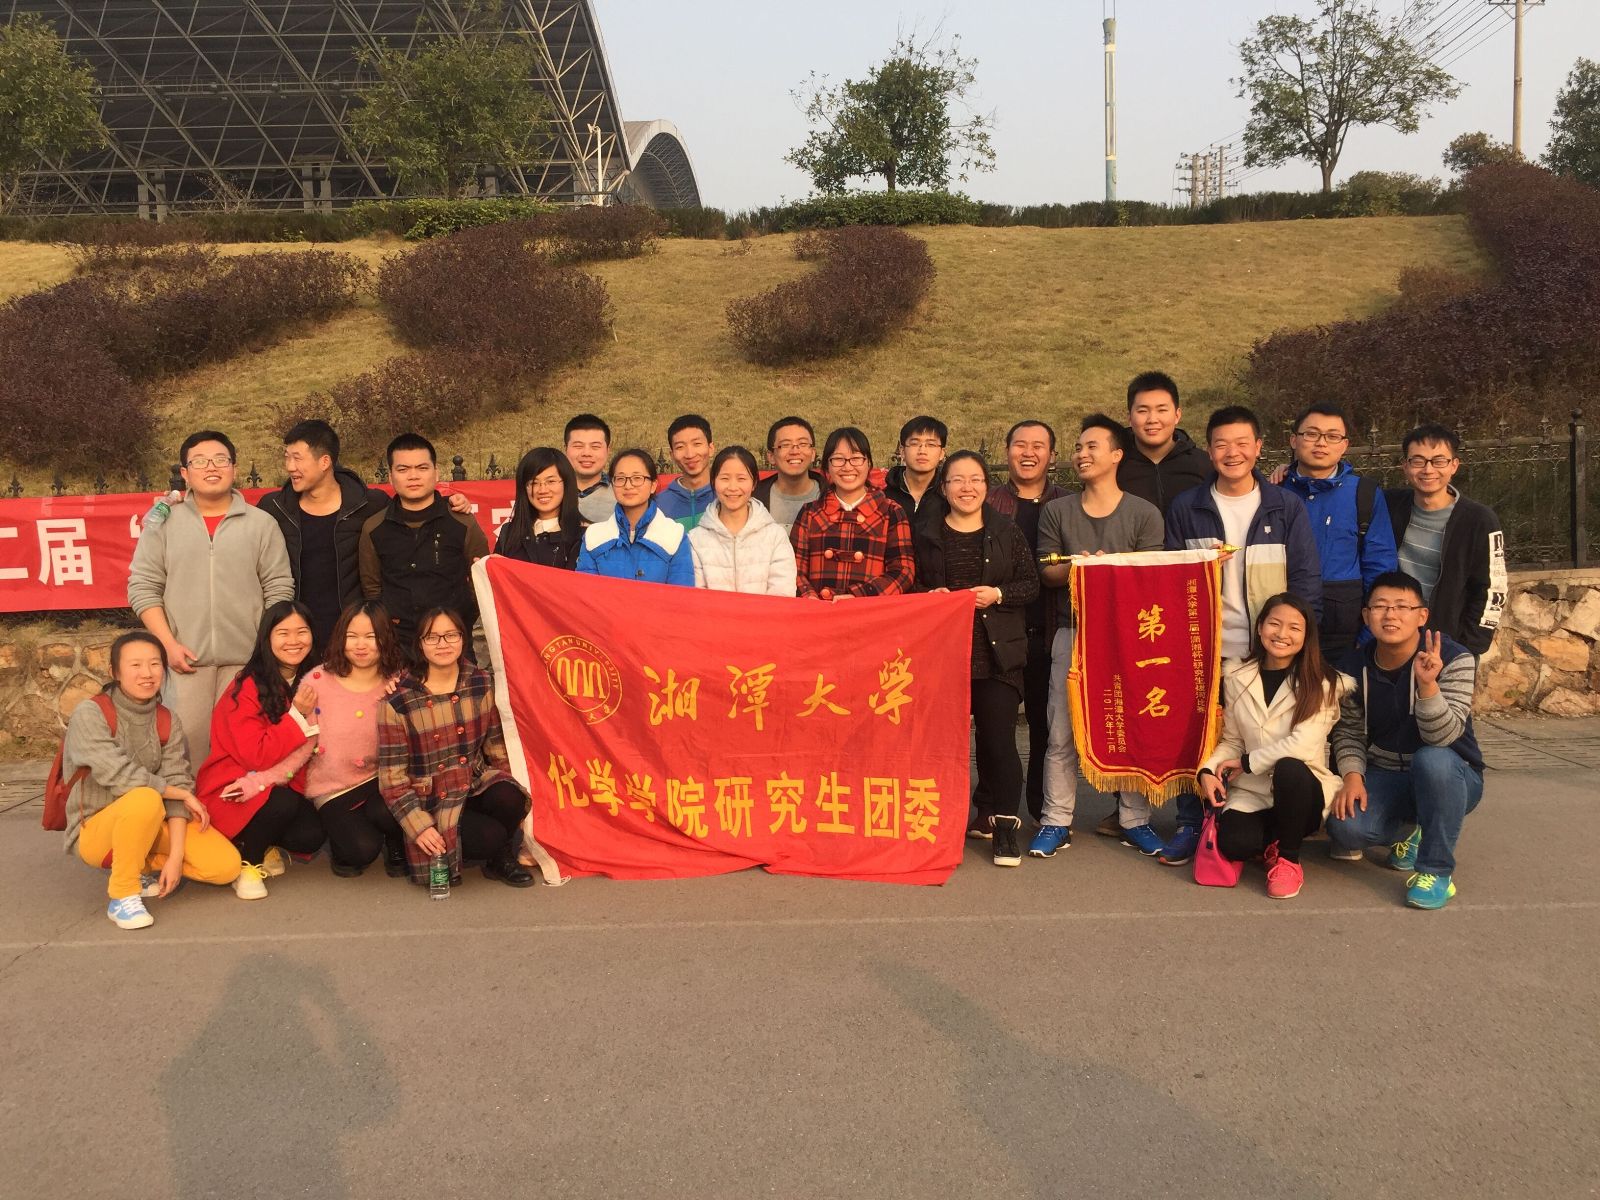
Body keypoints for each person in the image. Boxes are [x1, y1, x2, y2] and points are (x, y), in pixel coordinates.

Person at [1158, 405, 1323, 867]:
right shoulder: (1187, 507)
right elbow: (1169, 583)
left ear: (1258, 447)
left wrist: (1295, 643)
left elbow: (1305, 580)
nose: (1232, 453)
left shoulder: (1284, 506)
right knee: (1196, 736)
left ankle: (1267, 819)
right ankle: (1191, 822)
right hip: (1206, 649)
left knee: (1264, 737)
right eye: (1221, 444)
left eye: (1242, 443)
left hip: (1267, 651)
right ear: (1209, 451)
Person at [1031, 415, 1165, 858]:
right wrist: (1081, 567)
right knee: (1060, 733)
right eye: (1078, 447)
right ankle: (1056, 820)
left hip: (1129, 637)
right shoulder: (1058, 511)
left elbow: (1152, 577)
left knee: (1131, 728)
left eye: (1092, 446)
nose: (1081, 454)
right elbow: (1047, 571)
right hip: (1072, 632)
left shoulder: (1144, 514)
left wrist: (1113, 567)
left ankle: (1135, 819)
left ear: (1117, 455)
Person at [129, 429, 295, 766]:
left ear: (234, 468)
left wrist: (263, 648)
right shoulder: (164, 522)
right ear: (185, 473)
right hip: (184, 660)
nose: (212, 467)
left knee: (240, 752)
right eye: (200, 461)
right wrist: (168, 645)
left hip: (246, 661)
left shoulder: (261, 524)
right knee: (184, 749)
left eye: (221, 459)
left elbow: (279, 588)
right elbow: (143, 586)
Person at [61, 631, 241, 930]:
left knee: (225, 867)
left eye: (155, 664)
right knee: (144, 796)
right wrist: (178, 793)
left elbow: (178, 780)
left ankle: (139, 865)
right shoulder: (90, 713)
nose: (147, 673)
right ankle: (123, 894)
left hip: (148, 821)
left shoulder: (167, 720)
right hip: (95, 831)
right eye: (135, 665)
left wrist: (176, 857)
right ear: (115, 672)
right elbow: (119, 774)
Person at [1326, 572, 1485, 910]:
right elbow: (1348, 732)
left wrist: (1428, 686)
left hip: (1452, 776)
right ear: (1366, 615)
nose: (1391, 615)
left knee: (1433, 759)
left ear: (1422, 615)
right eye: (1380, 606)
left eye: (1402, 606)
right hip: (1386, 773)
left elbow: (1443, 737)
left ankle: (1436, 871)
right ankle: (1416, 828)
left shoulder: (1454, 658)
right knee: (1346, 828)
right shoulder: (1352, 667)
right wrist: (1352, 777)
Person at [913, 451, 1040, 867]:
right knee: (937, 745)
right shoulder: (926, 533)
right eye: (957, 480)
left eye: (976, 479)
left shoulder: (1005, 530)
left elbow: (1030, 584)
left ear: (987, 486)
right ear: (944, 487)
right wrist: (928, 597)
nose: (967, 488)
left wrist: (998, 594)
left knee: (998, 742)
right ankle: (937, 822)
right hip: (942, 657)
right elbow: (910, 583)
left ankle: (1003, 827)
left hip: (997, 656)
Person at [260, 419, 470, 650]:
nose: (290, 467)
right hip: (297, 637)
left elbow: (413, 509)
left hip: (356, 638)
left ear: (325, 461)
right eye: (287, 457)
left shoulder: (369, 504)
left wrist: (450, 503)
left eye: (297, 458)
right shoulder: (274, 508)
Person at [1197, 593, 1349, 900]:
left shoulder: (1324, 683)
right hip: (1253, 791)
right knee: (1234, 844)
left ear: (1307, 636)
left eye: (1294, 627)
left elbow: (1302, 746)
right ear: (1259, 627)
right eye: (1274, 624)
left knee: (1290, 767)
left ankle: (1289, 860)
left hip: (1302, 790)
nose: (1282, 634)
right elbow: (1233, 740)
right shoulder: (1237, 676)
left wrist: (1247, 763)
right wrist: (1207, 771)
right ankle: (1273, 841)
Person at [377, 608, 533, 889]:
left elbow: (497, 748)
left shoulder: (481, 683)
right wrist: (419, 826)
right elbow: (392, 779)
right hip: (432, 798)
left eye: (451, 635)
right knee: (489, 836)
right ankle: (485, 844)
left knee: (511, 796)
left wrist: (519, 796)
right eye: (432, 637)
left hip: (472, 782)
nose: (443, 644)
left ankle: (501, 857)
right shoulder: (398, 701)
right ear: (419, 643)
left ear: (463, 638)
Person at [196, 601, 327, 900]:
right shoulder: (246, 685)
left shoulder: (316, 677)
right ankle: (248, 863)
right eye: (283, 633)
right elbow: (255, 755)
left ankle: (263, 842)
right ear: (267, 638)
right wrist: (296, 714)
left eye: (301, 632)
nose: (293, 641)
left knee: (310, 836)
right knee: (282, 804)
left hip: (285, 782)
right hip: (237, 785)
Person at [985, 420, 1068, 823]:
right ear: (1007, 452)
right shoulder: (987, 503)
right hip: (998, 635)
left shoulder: (1068, 504)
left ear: (1052, 455)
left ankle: (1042, 811)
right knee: (994, 729)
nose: (1028, 453)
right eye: (1020, 444)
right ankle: (991, 810)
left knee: (1046, 727)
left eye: (1039, 445)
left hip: (1049, 632)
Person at [1273, 403, 1398, 659]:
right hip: (1280, 623)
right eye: (1311, 434)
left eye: (1332, 436)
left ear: (1344, 445)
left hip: (1344, 629)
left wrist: (1369, 633)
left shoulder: (1364, 493)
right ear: (1294, 440)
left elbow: (1380, 566)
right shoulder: (1273, 492)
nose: (1321, 443)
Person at [301, 602, 408, 878]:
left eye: (371, 636)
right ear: (340, 637)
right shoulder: (317, 679)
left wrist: (401, 697)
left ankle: (396, 841)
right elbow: (301, 741)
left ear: (385, 639)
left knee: (388, 811)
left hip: (379, 780)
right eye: (352, 636)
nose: (361, 645)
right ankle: (346, 834)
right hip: (332, 786)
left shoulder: (398, 682)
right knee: (359, 851)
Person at [358, 433, 489, 648]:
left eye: (422, 468)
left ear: (436, 473)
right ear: (390, 476)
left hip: (452, 641)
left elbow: (481, 579)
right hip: (398, 645)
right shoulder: (374, 528)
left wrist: (461, 620)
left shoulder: (462, 521)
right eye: (403, 469)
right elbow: (372, 589)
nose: (413, 476)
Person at [1386, 423, 1507, 657]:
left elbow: (1493, 588)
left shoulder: (1479, 520)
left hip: (1448, 644)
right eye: (1418, 461)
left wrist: (1467, 649)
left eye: (1439, 461)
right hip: (1392, 638)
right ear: (1405, 466)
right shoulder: (1389, 506)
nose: (1428, 469)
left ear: (1454, 465)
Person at [792, 427, 916, 600]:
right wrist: (810, 598)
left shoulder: (891, 512)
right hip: (818, 612)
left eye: (856, 458)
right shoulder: (810, 513)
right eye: (838, 459)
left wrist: (858, 596)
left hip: (868, 612)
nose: (848, 467)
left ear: (869, 464)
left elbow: (903, 572)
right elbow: (794, 570)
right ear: (827, 467)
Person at [576, 449, 696, 585]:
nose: (628, 485)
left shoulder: (674, 535)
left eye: (637, 478)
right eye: (620, 479)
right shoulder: (594, 536)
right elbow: (586, 590)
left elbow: (680, 592)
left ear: (653, 485)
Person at [689, 446, 798, 594]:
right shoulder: (695, 539)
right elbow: (696, 595)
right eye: (725, 478)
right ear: (713, 482)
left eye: (741, 479)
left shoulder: (775, 536)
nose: (733, 487)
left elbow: (782, 593)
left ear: (754, 484)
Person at [1117, 372, 1212, 515]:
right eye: (1142, 411)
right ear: (1130, 417)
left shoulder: (1203, 464)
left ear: (1177, 415)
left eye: (1161, 410)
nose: (1152, 419)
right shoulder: (1114, 466)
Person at [494, 447, 583, 569]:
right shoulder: (509, 533)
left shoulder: (583, 536)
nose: (542, 490)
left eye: (551, 481)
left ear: (566, 483)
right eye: (534, 483)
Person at [754, 415, 826, 532]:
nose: (795, 451)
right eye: (785, 445)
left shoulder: (831, 494)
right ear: (771, 456)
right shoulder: (753, 499)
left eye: (802, 444)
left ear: (813, 453)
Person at [882, 416, 949, 530]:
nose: (922, 451)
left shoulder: (949, 496)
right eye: (914, 444)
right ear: (902, 451)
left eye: (931, 445)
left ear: (942, 453)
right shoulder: (882, 496)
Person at [657, 414, 716, 529]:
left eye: (697, 444)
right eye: (680, 447)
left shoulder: (727, 496)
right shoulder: (659, 506)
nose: (690, 454)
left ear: (711, 448)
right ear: (672, 455)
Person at [565, 413, 617, 524]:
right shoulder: (549, 491)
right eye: (578, 446)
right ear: (565, 449)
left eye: (595, 447)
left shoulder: (621, 492)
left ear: (608, 450)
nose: (586, 453)